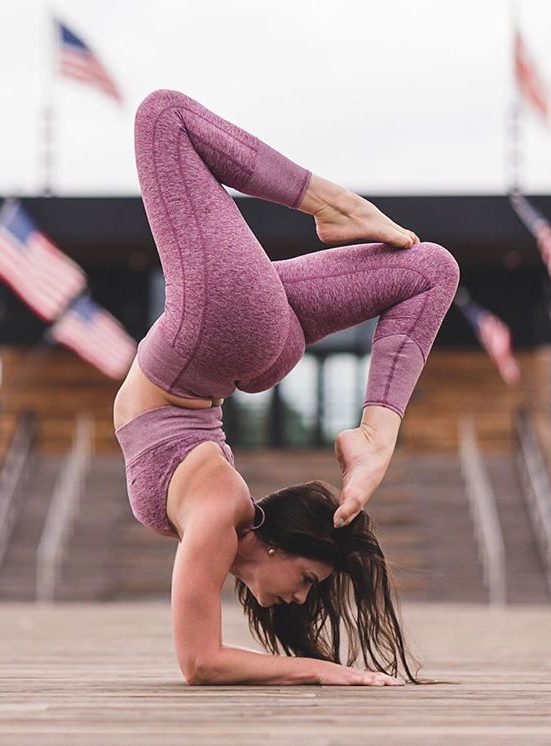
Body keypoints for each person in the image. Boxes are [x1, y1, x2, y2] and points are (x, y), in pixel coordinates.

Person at [113, 89, 460, 686]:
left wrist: (319, 670)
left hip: (233, 339)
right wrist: (324, 674)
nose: (301, 600)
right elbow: (201, 663)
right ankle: (374, 432)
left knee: (431, 270)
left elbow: (199, 663)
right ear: (277, 546)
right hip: (225, 332)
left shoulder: (219, 515)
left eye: (308, 587)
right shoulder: (222, 512)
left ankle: (376, 434)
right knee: (160, 117)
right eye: (308, 580)